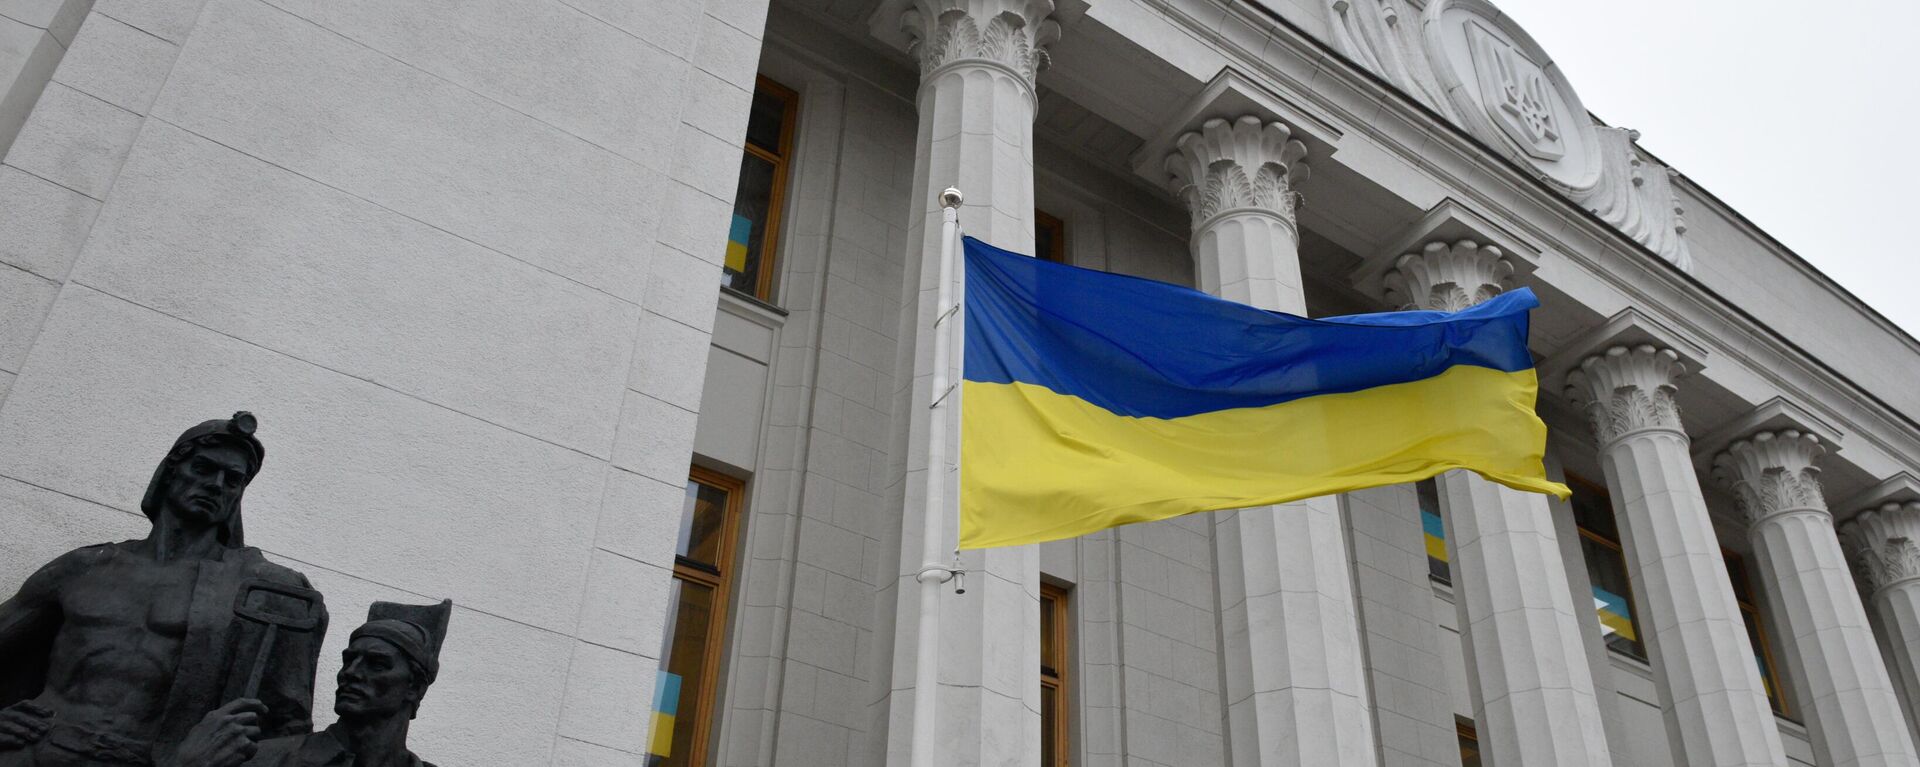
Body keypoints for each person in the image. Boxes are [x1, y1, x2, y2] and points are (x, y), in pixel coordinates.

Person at [0, 413, 327, 766]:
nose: (217, 484)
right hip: (34, 753)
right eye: (203, 468)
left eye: (233, 480)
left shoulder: (257, 589)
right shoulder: (84, 567)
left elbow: (286, 724)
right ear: (170, 472)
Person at [210, 600, 452, 767]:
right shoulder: (266, 760)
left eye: (376, 664)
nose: (351, 672)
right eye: (348, 660)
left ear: (415, 688)